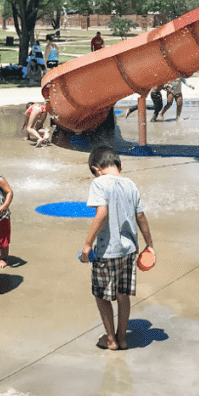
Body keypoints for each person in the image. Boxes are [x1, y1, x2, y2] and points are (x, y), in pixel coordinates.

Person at [79, 146, 155, 350]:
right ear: (120, 165)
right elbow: (140, 216)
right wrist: (149, 244)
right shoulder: (130, 184)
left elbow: (101, 213)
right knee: (123, 294)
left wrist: (88, 244)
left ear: (96, 169)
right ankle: (122, 338)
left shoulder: (99, 183)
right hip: (129, 251)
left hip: (106, 251)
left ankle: (111, 339)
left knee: (101, 294)